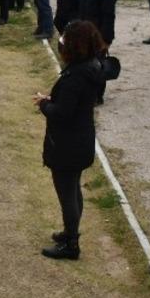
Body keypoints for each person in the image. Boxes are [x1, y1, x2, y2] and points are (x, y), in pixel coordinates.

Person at [35, 20, 105, 260]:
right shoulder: (91, 68)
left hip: (67, 144)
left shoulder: (76, 76)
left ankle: (71, 244)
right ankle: (69, 232)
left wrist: (44, 104)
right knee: (73, 189)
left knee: (67, 193)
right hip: (81, 138)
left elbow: (62, 113)